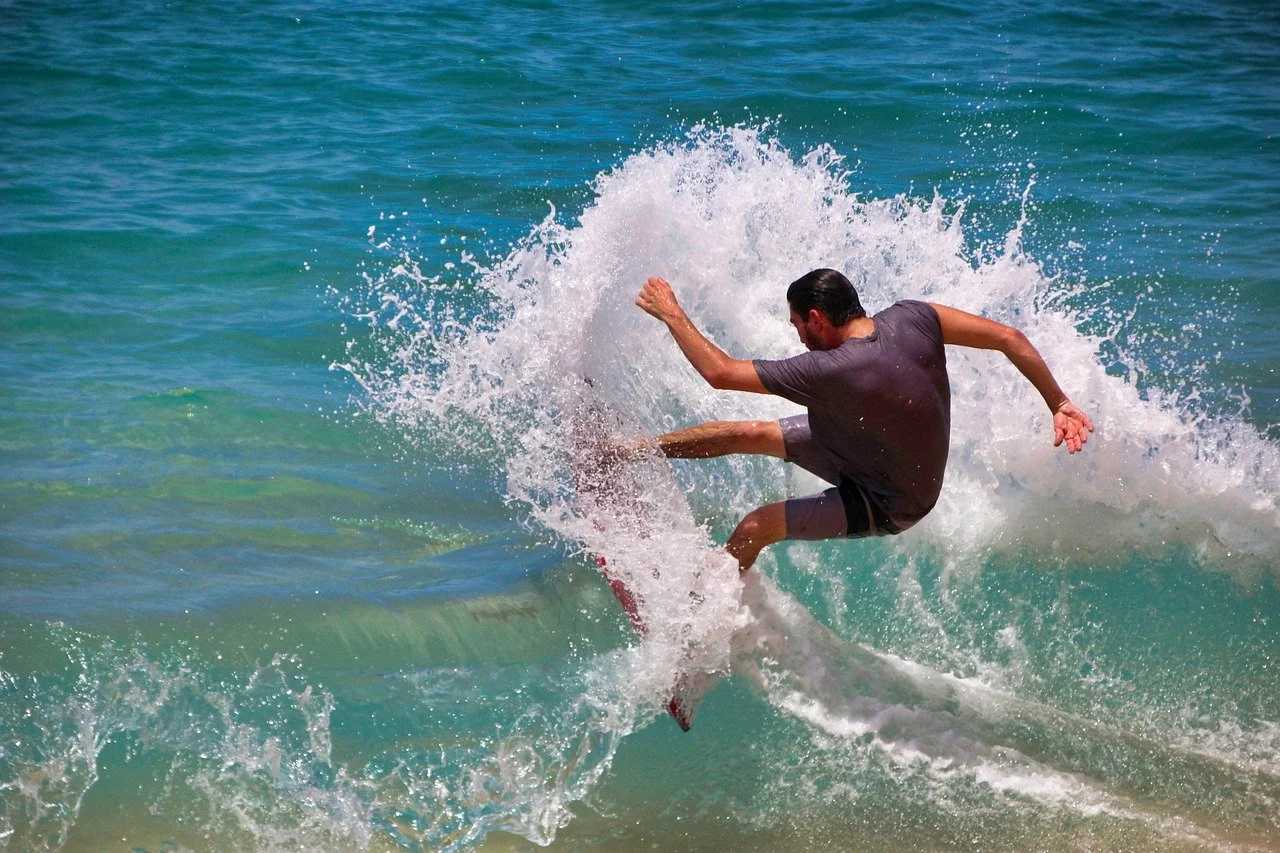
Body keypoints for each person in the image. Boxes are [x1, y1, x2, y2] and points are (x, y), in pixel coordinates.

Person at [635, 268, 1094, 572]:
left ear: (817, 318)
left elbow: (720, 372)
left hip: (890, 499)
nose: (796, 333)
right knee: (747, 432)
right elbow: (1009, 337)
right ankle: (630, 452)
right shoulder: (915, 316)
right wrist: (1058, 402)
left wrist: (671, 313)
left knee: (756, 526)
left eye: (797, 323)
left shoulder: (831, 368)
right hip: (862, 446)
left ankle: (704, 621)